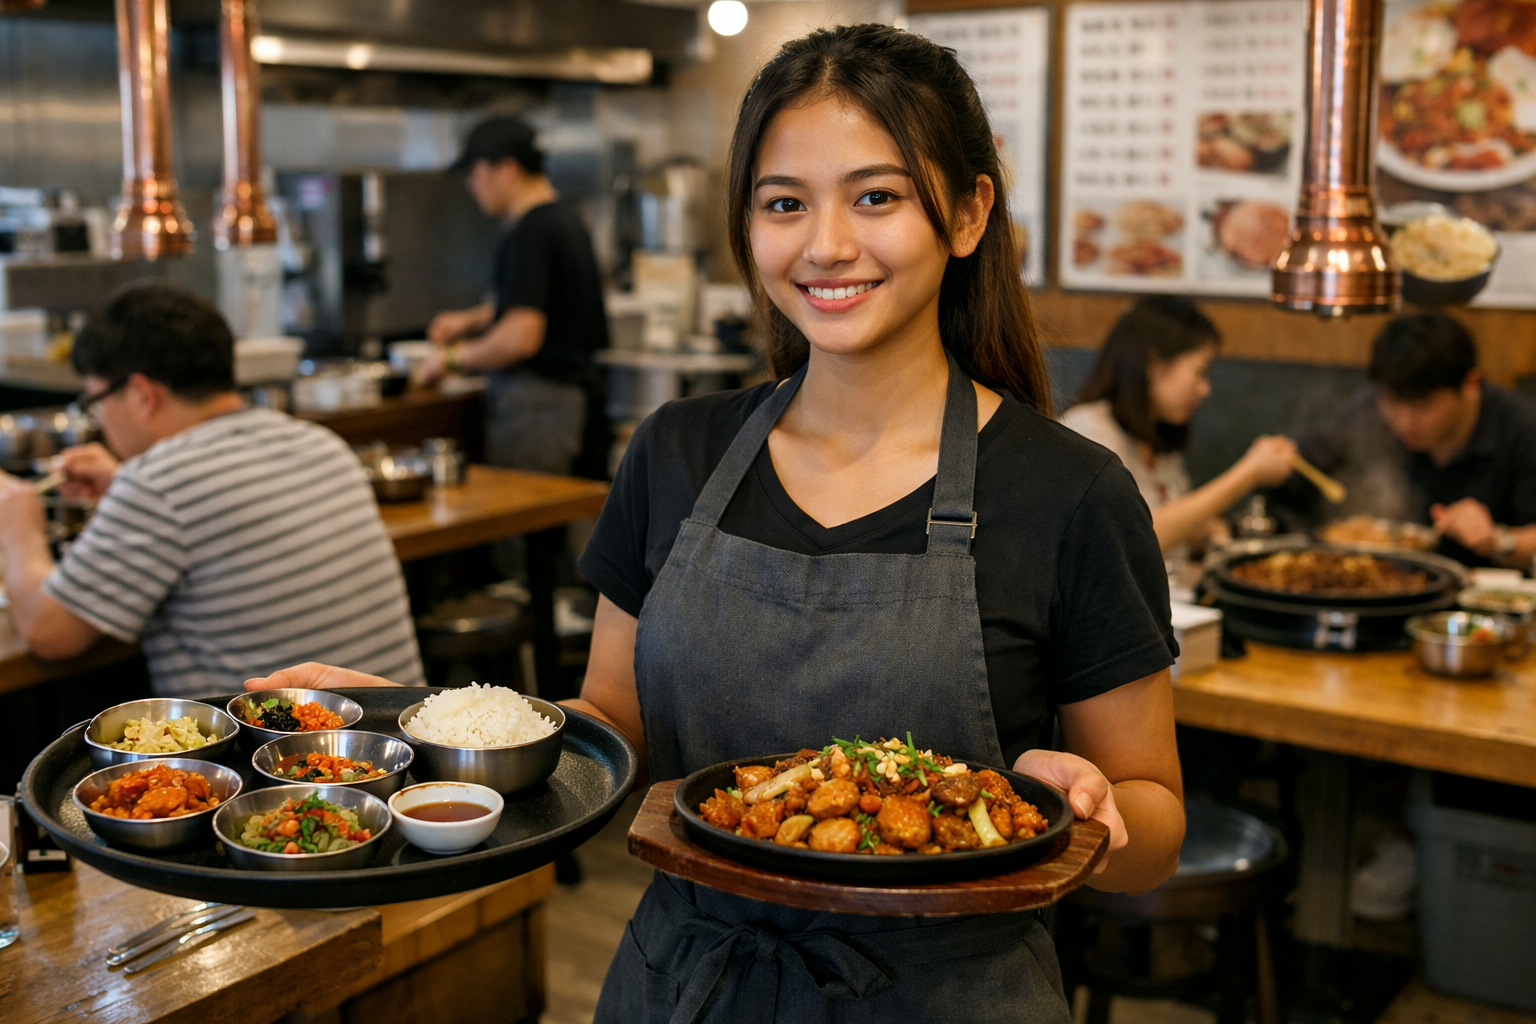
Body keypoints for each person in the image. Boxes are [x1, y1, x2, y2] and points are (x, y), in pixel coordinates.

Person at [245, 25, 1185, 1022]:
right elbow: (613, 730)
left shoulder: (1072, 493)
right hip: (686, 984)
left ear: (966, 213)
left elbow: (1156, 827)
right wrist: (417, 723)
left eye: (877, 196)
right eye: (784, 204)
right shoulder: (677, 451)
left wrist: (1084, 807)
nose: (824, 245)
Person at [0, 284, 424, 697]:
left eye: (95, 402)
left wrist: (20, 524)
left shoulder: (157, 484)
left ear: (141, 394)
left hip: (283, 758)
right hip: (405, 742)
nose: (100, 420)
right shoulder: (317, 441)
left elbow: (47, 633)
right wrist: (123, 486)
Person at [423, 115, 609, 477]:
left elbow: (521, 338)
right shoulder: (564, 218)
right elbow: (542, 303)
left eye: (475, 173)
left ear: (505, 169)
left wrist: (449, 360)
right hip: (572, 402)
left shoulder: (531, 231)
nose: (471, 186)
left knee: (531, 528)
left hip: (539, 409)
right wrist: (469, 320)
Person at [1274, 311, 1536, 567]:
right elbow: (1302, 469)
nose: (1405, 422)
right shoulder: (1368, 412)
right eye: (1393, 403)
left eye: (1424, 406)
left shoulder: (1522, 430)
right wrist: (1273, 461)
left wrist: (1498, 540)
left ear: (1470, 384)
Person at [1061, 297, 1297, 557]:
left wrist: (1204, 533)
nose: (1205, 389)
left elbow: (1171, 527)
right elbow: (1134, 537)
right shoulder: (1085, 430)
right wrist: (1248, 474)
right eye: (1199, 372)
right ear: (1154, 364)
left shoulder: (1155, 438)